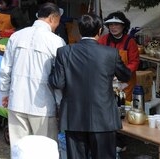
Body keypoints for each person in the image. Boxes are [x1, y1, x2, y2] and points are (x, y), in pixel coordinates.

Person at [49, 13, 131, 159]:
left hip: (74, 116)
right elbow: (126, 75)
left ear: (79, 31)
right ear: (99, 31)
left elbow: (57, 83)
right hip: (103, 117)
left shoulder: (65, 52)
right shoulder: (110, 53)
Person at [0, 2, 65, 151]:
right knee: (44, 151)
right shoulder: (56, 42)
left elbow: (5, 69)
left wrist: (5, 92)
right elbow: (59, 78)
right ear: (52, 18)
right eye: (58, 20)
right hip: (43, 105)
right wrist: (60, 103)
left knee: (20, 150)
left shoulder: (16, 36)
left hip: (16, 101)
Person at [98, 11, 140, 102]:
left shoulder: (130, 41)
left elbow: (134, 62)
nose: (113, 27)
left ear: (123, 26)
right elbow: (97, 59)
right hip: (107, 81)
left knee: (125, 107)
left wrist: (121, 73)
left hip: (126, 83)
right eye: (111, 25)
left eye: (116, 24)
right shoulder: (103, 40)